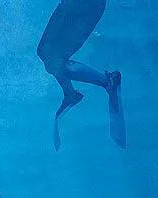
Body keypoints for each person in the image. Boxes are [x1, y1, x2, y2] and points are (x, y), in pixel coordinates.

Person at [37, 0, 125, 150]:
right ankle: (72, 93)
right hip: (80, 6)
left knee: (49, 55)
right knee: (47, 54)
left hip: (84, 6)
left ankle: (103, 83)